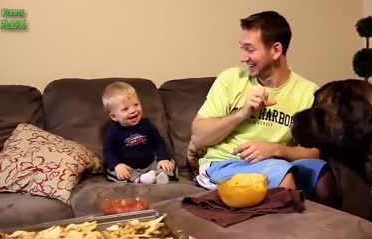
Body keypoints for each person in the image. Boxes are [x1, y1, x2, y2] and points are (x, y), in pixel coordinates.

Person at [190, 11, 340, 207]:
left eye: (249, 49)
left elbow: (314, 151)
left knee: (322, 177)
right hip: (223, 163)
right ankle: (284, 237)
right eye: (241, 48)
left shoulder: (308, 92)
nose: (243, 57)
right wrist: (243, 113)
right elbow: (198, 136)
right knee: (280, 173)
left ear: (276, 50)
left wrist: (277, 149)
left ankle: (323, 235)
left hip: (277, 161)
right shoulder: (231, 79)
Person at [102, 82, 175, 184]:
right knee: (112, 172)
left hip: (151, 165)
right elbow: (108, 151)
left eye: (136, 104)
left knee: (170, 163)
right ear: (114, 116)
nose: (133, 110)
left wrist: (163, 158)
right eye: (125, 109)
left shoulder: (147, 125)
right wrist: (117, 165)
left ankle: (161, 176)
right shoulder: (113, 131)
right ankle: (139, 179)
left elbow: (159, 143)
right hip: (128, 168)